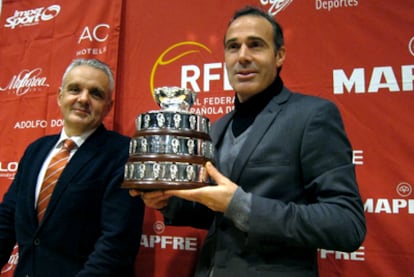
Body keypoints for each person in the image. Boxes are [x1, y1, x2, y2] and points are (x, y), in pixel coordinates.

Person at [132, 6, 366, 277]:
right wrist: (166, 200)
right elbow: (217, 215)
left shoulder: (312, 116)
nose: (242, 56)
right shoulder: (218, 127)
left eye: (255, 45)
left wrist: (241, 205)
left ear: (279, 55)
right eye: (233, 47)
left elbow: (347, 225)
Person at [0, 58, 145, 276]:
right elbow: (7, 218)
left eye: (95, 93)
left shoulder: (124, 154)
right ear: (60, 96)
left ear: (108, 106)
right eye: (75, 89)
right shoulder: (35, 150)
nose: (83, 99)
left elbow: (116, 245)